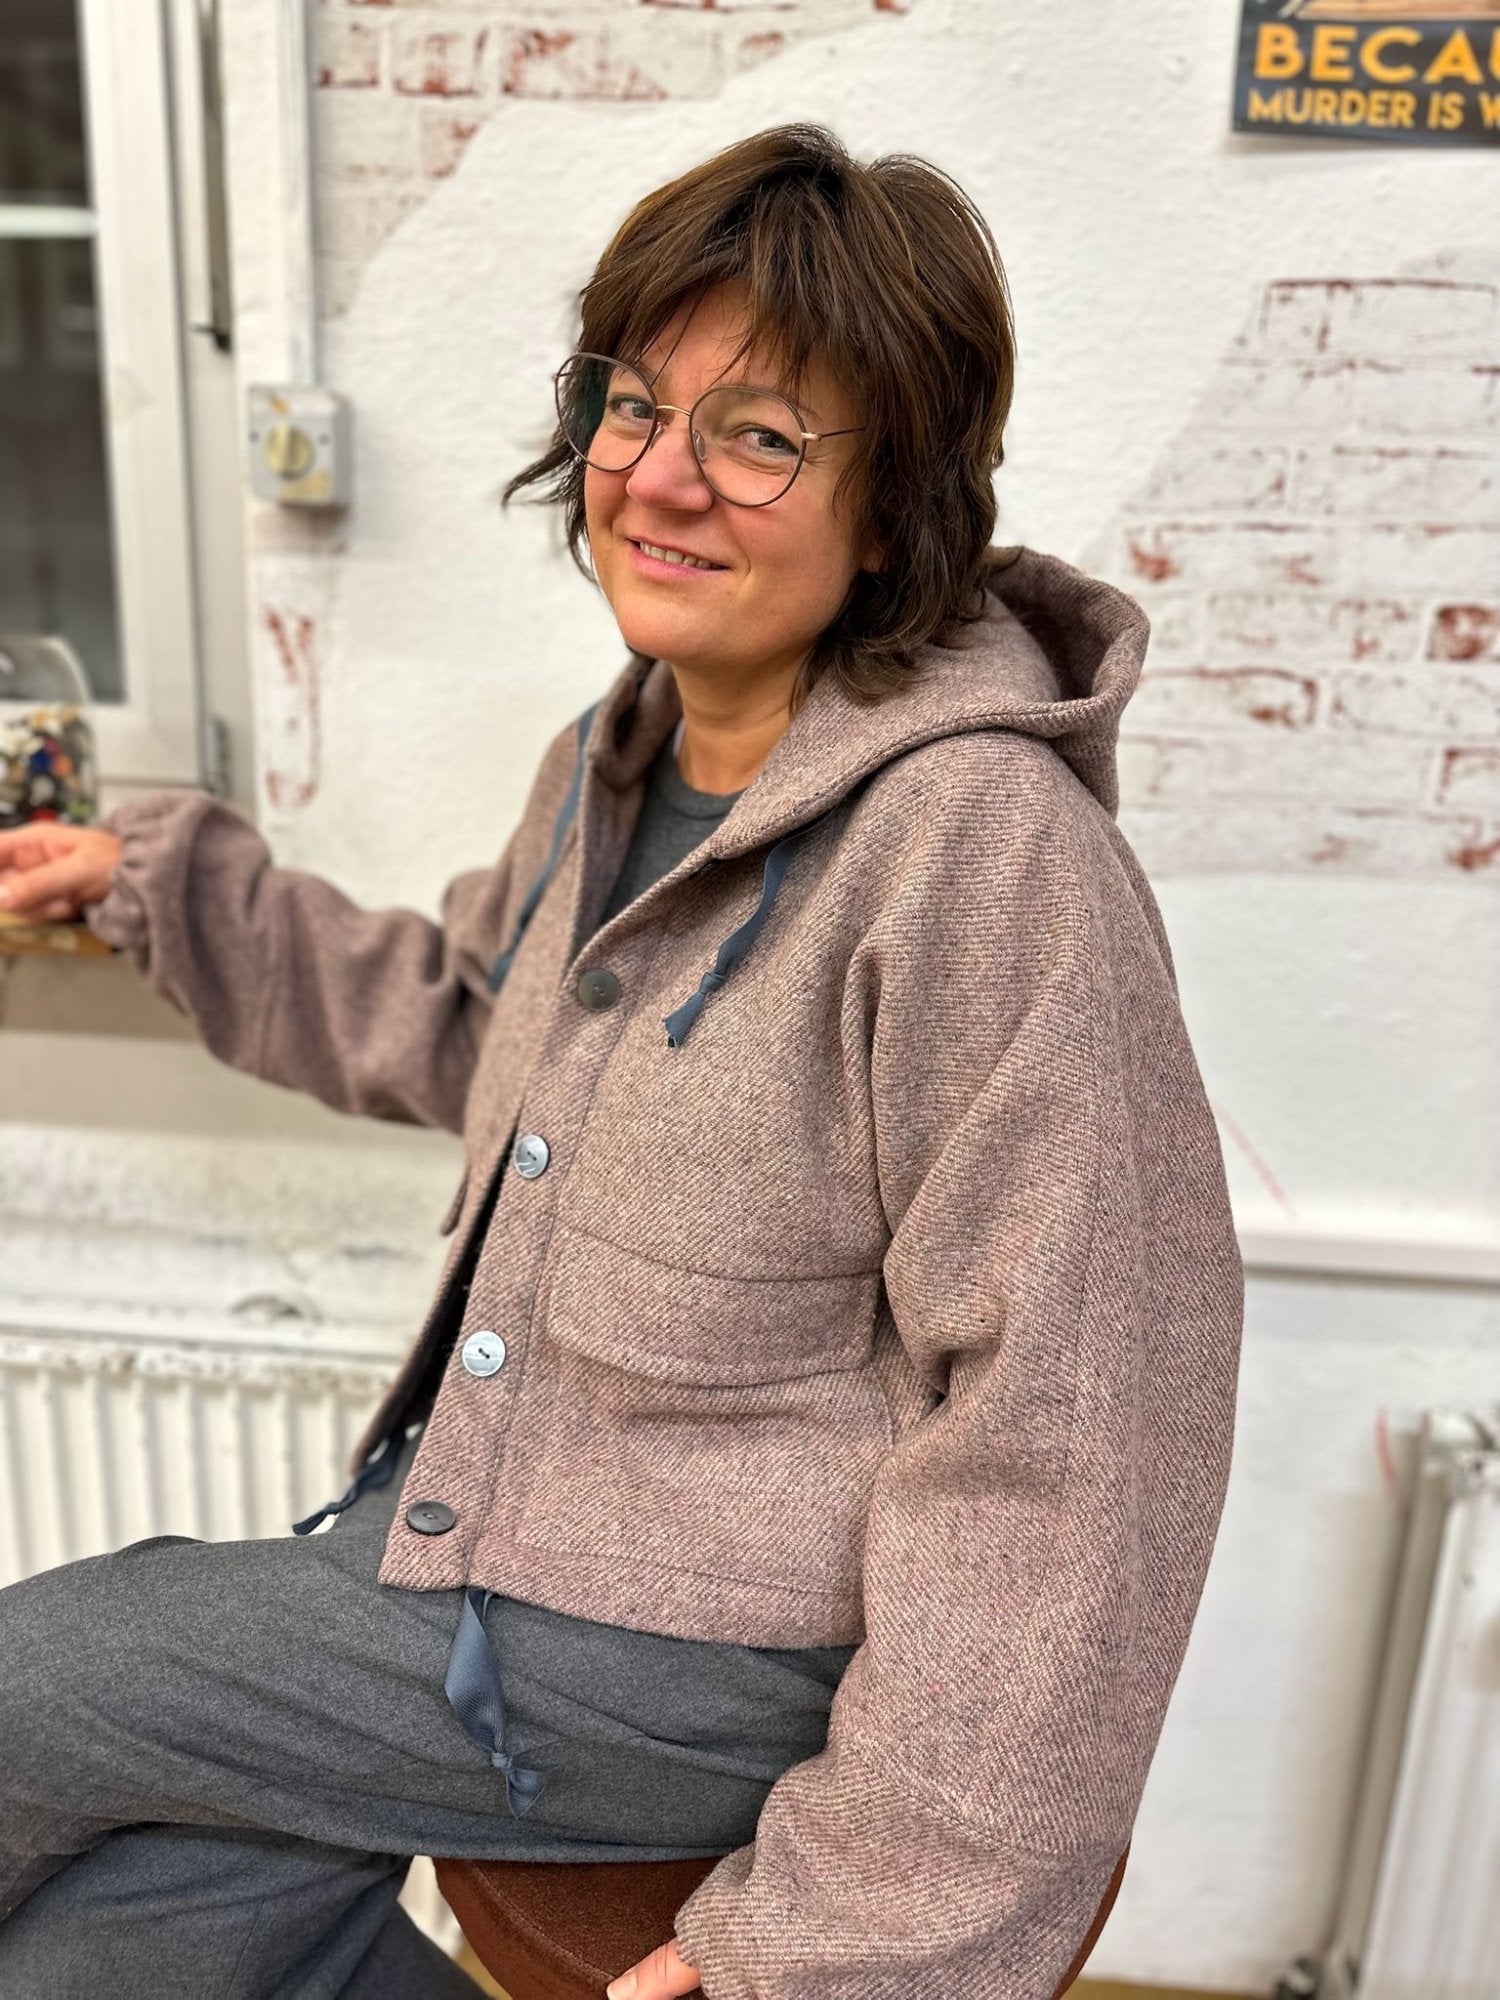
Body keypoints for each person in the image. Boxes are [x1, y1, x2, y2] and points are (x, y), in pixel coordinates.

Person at [0, 123, 1244, 1999]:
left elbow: (1080, 1449)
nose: (660, 477)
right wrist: (153, 885)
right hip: (483, 1536)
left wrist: (843, 1938)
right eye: (635, 406)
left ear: (897, 506)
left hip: (706, 1645)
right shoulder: (625, 754)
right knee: (122, 1940)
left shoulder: (990, 858)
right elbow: (472, 1027)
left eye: (760, 436)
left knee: (38, 1679)